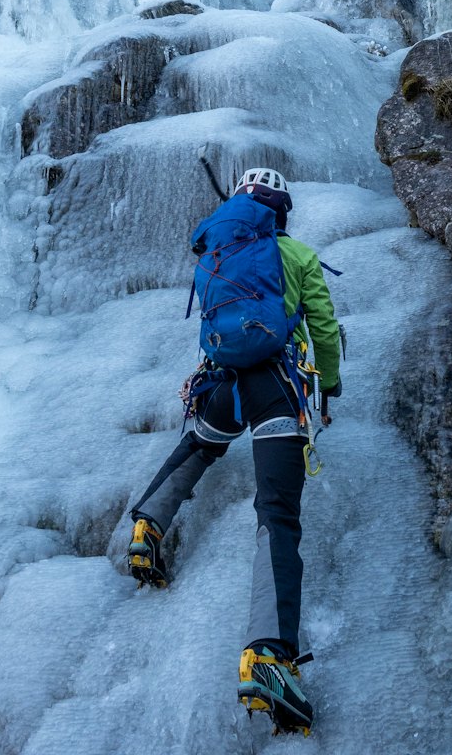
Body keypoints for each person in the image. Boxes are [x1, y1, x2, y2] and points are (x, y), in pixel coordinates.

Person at [126, 166, 342, 735]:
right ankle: (269, 657)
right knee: (276, 515)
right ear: (283, 211)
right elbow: (321, 322)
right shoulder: (294, 254)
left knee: (199, 446)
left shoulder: (219, 250)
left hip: (222, 384)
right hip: (277, 387)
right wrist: (332, 384)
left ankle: (147, 526)